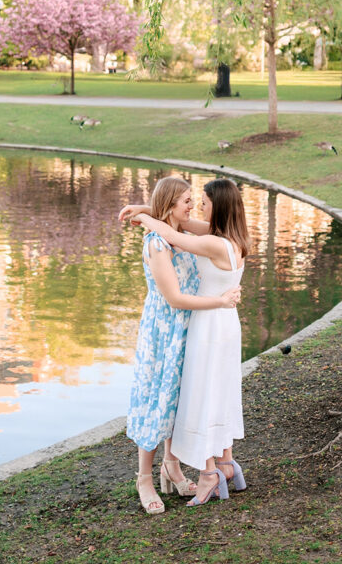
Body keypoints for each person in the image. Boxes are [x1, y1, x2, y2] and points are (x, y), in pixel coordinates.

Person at [125, 177, 249, 508]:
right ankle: (145, 479)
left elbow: (176, 229)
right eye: (188, 200)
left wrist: (149, 212)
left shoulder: (207, 238)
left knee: (176, 402)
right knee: (157, 400)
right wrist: (150, 213)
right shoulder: (160, 243)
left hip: (191, 326)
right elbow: (175, 295)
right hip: (167, 328)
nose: (195, 206)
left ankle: (173, 467)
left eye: (199, 201)